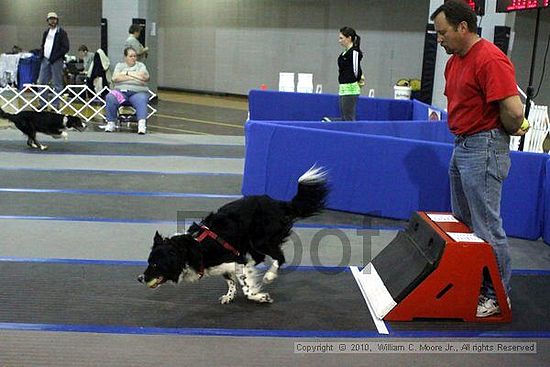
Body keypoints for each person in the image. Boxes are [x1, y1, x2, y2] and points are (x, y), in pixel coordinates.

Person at [430, 1, 530, 317]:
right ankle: (474, 284)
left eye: (443, 32)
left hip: (484, 147)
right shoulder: (454, 62)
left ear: (463, 27)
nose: (439, 39)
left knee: (487, 226)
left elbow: (514, 112)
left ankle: (499, 295)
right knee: (464, 223)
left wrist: (509, 130)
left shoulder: (490, 59)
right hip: (462, 145)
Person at [104, 47, 150, 134]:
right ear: (125, 57)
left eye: (135, 56)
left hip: (137, 92)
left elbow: (144, 77)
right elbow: (115, 78)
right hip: (121, 92)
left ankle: (141, 125)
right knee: (110, 97)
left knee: (142, 99)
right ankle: (111, 123)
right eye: (131, 56)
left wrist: (126, 73)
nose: (133, 58)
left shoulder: (141, 66)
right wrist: (135, 76)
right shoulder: (119, 66)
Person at [37, 12, 70, 108]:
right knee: (42, 82)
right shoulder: (46, 32)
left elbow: (65, 47)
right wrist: (42, 55)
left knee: (57, 84)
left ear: (57, 20)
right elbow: (43, 45)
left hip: (56, 61)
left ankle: (55, 105)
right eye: (50, 19)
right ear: (47, 21)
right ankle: (42, 104)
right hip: (45, 60)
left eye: (54, 19)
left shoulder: (62, 33)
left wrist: (55, 57)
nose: (53, 21)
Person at [336, 26, 363, 121]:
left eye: (341, 38)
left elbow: (356, 70)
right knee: (344, 117)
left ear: (349, 38)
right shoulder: (344, 53)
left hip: (350, 88)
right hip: (343, 88)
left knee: (348, 117)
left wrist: (357, 80)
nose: (339, 41)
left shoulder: (354, 52)